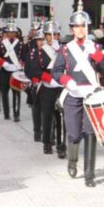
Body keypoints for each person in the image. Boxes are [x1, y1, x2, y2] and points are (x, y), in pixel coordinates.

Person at [52, 0, 104, 187]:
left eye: (83, 26)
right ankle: (72, 161)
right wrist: (67, 81)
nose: (80, 29)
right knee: (74, 133)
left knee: (90, 133)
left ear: (87, 27)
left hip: (91, 94)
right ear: (72, 29)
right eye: (76, 26)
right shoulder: (65, 49)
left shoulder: (95, 47)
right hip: (72, 93)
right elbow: (56, 72)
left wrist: (94, 52)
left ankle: (89, 173)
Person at [25, 19, 65, 156]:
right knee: (47, 116)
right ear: (45, 35)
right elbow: (35, 69)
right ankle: (47, 143)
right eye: (49, 34)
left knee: (60, 117)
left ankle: (61, 145)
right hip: (47, 86)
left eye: (56, 34)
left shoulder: (64, 49)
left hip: (61, 86)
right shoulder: (39, 51)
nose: (53, 37)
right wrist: (49, 79)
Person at [0, 18, 24, 121]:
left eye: (13, 32)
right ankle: (6, 113)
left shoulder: (20, 44)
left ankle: (16, 114)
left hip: (16, 71)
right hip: (5, 71)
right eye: (9, 32)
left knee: (17, 93)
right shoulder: (1, 44)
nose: (11, 34)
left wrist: (21, 64)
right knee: (4, 92)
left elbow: (24, 57)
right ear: (6, 33)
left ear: (16, 33)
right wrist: (4, 63)